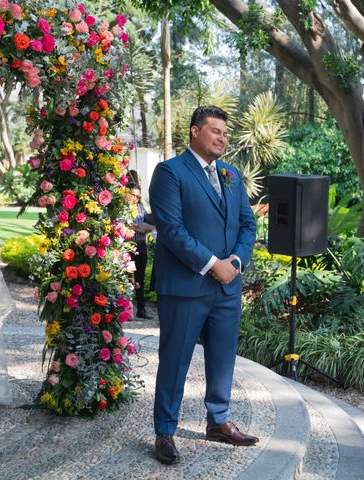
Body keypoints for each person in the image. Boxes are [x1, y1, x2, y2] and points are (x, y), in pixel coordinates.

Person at [149, 106, 258, 465]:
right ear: (195, 131)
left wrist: (236, 263)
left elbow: (247, 224)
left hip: (227, 288)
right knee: (175, 361)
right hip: (184, 286)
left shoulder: (231, 174)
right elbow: (172, 230)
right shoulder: (170, 172)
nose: (223, 138)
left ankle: (219, 420)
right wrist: (213, 265)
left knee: (223, 358)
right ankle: (165, 430)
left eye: (226, 133)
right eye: (216, 131)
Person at [129, 184, 152, 319]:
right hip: (129, 246)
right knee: (127, 278)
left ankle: (141, 309)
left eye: (138, 196)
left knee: (140, 278)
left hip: (141, 245)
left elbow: (147, 220)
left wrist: (148, 227)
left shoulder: (141, 207)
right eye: (134, 195)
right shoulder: (124, 208)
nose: (136, 198)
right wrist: (133, 227)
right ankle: (127, 308)